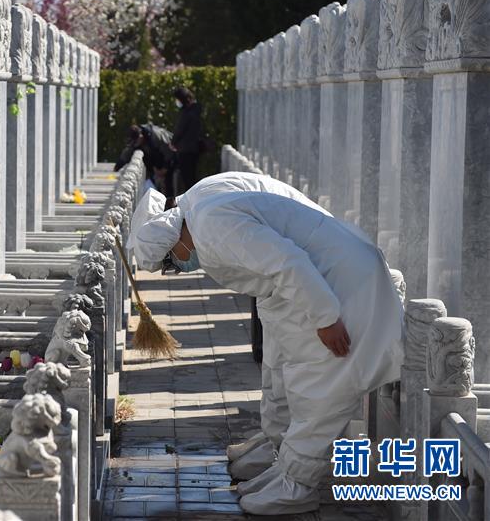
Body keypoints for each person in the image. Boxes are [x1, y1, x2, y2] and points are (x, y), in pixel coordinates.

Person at [126, 172, 404, 515]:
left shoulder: (211, 227)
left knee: (318, 388)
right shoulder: (199, 205)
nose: (180, 267)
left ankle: (298, 485)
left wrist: (325, 318)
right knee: (282, 375)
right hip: (308, 282)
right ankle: (283, 460)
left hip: (338, 285)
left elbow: (287, 262)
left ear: (174, 240)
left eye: (172, 261)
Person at [114, 122, 176, 197]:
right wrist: (117, 167)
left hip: (172, 158)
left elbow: (169, 151)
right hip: (155, 165)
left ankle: (169, 203)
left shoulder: (156, 135)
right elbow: (128, 152)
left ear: (141, 136)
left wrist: (165, 168)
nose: (135, 144)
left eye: (136, 142)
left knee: (169, 185)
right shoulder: (137, 141)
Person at [170, 86, 204, 193]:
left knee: (187, 178)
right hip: (195, 148)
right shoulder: (197, 110)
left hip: (185, 149)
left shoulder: (186, 113)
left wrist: (173, 142)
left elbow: (180, 129)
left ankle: (189, 199)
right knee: (192, 176)